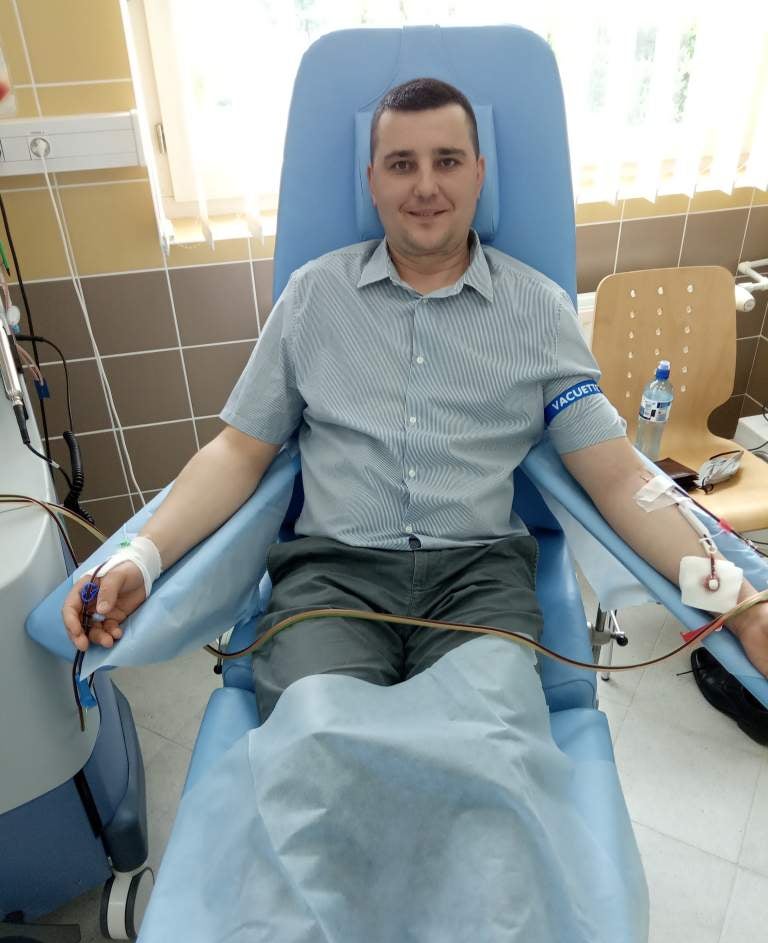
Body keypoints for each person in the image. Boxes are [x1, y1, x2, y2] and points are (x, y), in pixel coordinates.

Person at [62, 78, 768, 726]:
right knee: (322, 739)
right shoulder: (313, 298)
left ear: (478, 173)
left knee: (483, 745)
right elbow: (238, 452)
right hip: (333, 578)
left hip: (478, 580)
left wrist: (741, 606)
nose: (426, 186)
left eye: (447, 161)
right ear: (372, 180)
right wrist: (138, 558)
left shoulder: (539, 311)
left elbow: (619, 477)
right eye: (401, 164)